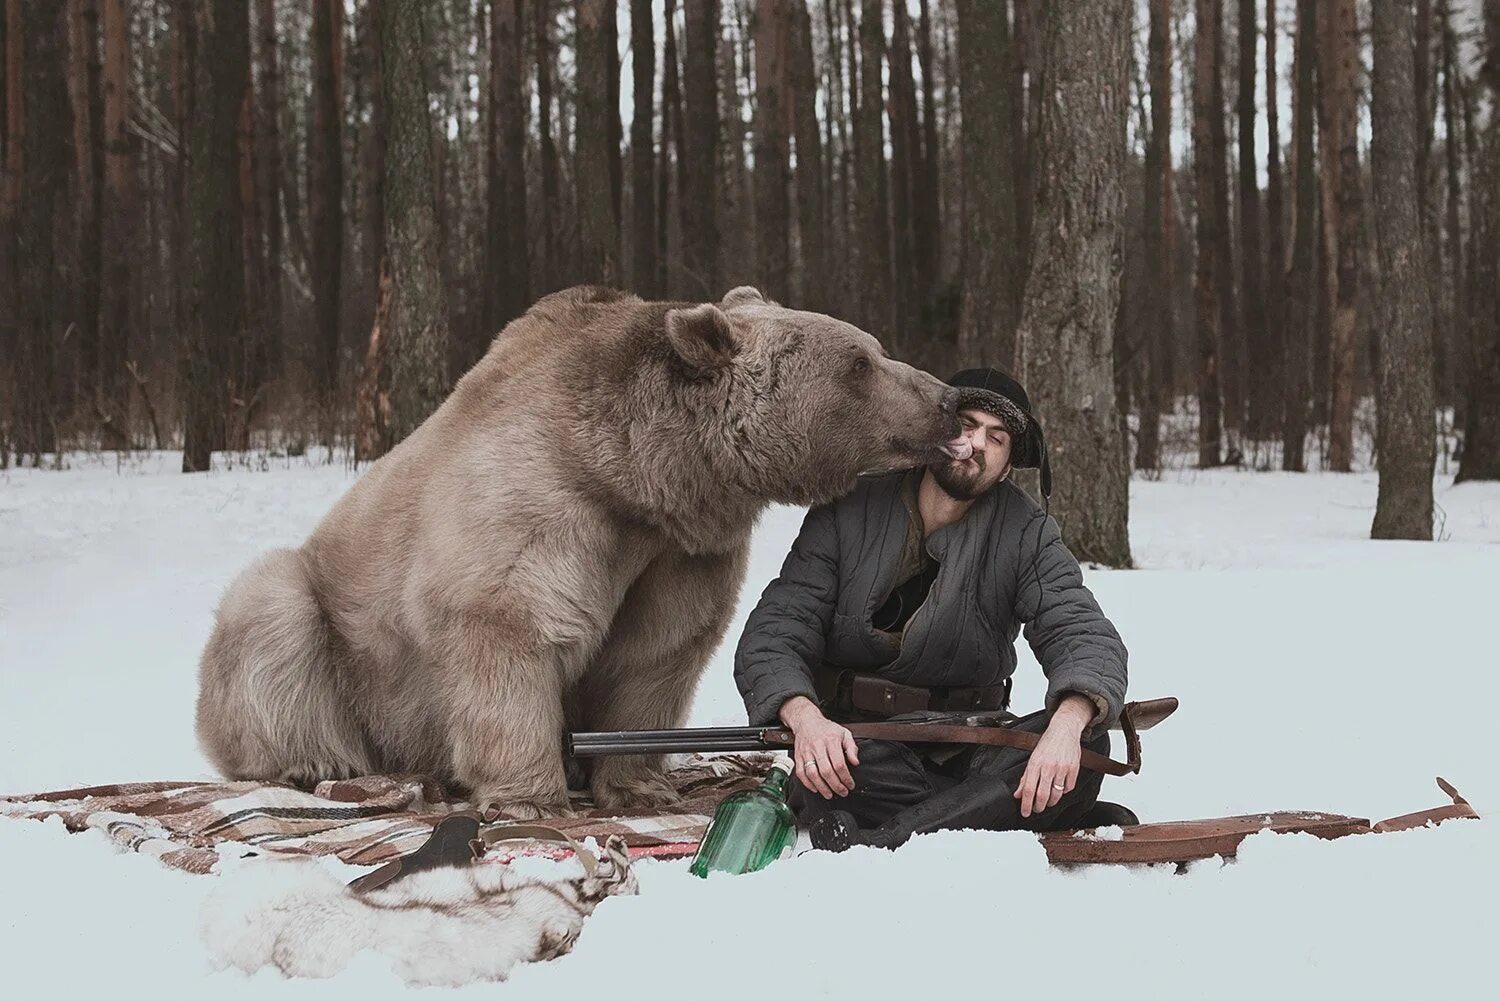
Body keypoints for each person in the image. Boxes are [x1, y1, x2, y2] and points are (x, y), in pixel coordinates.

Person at [733, 368, 1135, 851]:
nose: (976, 443)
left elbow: (1081, 631)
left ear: (1008, 464)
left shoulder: (1027, 531)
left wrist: (1066, 728)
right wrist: (807, 721)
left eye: (997, 436)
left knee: (1089, 746)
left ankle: (889, 836)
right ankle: (1006, 809)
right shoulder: (849, 506)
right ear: (935, 432)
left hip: (973, 742)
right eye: (966, 424)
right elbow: (775, 632)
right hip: (860, 739)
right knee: (831, 776)